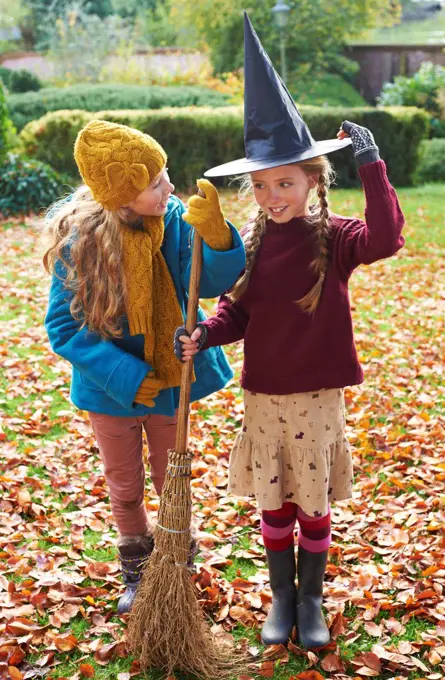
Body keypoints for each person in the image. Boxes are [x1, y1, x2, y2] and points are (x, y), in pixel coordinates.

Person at [174, 14, 405, 650]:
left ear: (311, 180)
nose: (273, 194)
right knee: (274, 499)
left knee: (312, 499)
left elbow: (387, 238)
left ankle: (310, 599)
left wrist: (373, 166)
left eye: (285, 182)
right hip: (265, 395)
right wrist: (202, 335)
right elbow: (237, 314)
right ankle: (280, 595)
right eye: (262, 185)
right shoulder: (251, 246)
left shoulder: (335, 238)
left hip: (317, 396)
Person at [43, 119, 245, 613]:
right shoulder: (81, 246)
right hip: (110, 390)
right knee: (126, 485)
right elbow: (64, 329)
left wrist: (217, 238)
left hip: (170, 381)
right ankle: (136, 570)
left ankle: (176, 565)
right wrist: (129, 378)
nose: (170, 187)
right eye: (156, 182)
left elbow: (210, 282)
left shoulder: (175, 223)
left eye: (167, 174)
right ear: (125, 192)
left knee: (171, 479)